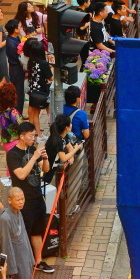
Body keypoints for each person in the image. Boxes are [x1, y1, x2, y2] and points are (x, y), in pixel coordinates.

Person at [6, 122, 52, 273]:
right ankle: (24, 264)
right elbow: (20, 174)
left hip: (37, 197)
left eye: (34, 135)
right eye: (31, 135)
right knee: (23, 234)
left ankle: (39, 261)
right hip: (23, 201)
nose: (34, 138)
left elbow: (45, 169)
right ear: (22, 136)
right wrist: (34, 157)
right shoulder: (12, 154)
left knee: (37, 231)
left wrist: (45, 158)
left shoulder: (32, 149)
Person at [0, 186, 35, 279]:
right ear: (9, 200)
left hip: (25, 255)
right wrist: (10, 269)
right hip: (15, 258)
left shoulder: (19, 212)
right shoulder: (5, 218)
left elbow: (25, 237)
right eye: (18, 200)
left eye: (22, 199)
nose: (21, 202)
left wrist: (31, 259)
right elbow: (5, 245)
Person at [44, 114, 82, 184]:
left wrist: (71, 155)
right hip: (47, 169)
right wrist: (75, 149)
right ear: (66, 127)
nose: (71, 124)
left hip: (52, 168)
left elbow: (69, 147)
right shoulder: (58, 141)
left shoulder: (62, 135)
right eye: (70, 123)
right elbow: (63, 158)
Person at [26, 41, 53, 138]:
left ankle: (40, 136)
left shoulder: (31, 61)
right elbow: (51, 78)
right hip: (42, 90)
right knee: (49, 110)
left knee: (35, 114)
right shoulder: (44, 63)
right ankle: (51, 132)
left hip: (33, 90)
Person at [6, 19, 24, 113]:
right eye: (19, 26)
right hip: (15, 69)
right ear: (15, 29)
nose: (21, 28)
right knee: (18, 94)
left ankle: (19, 113)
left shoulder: (16, 38)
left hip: (18, 68)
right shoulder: (11, 43)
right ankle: (17, 116)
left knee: (21, 93)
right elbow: (18, 59)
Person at [0, 8, 8, 83]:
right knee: (4, 79)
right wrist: (8, 38)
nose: (1, 13)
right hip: (1, 55)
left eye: (1, 11)